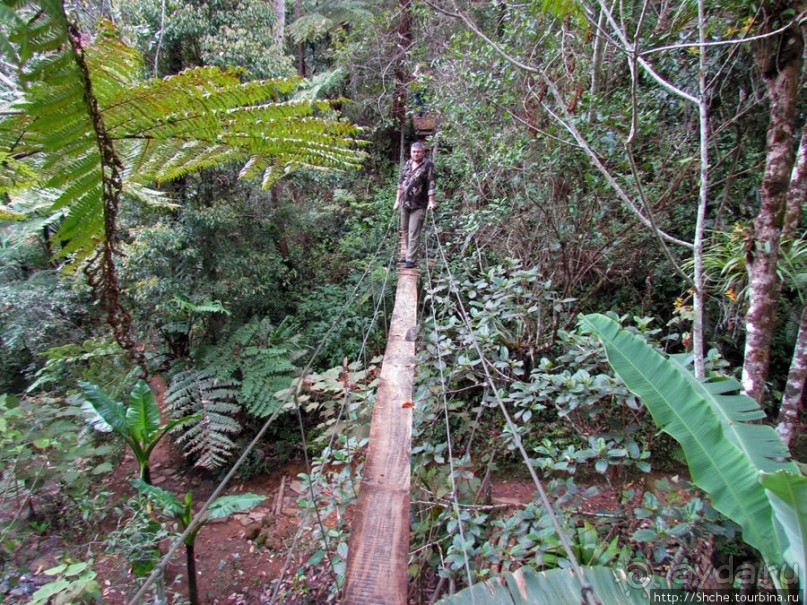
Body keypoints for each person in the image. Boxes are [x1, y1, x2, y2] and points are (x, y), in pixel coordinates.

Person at [393, 142, 436, 269]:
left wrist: (431, 201)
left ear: (423, 153)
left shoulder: (428, 165)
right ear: (411, 152)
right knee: (404, 229)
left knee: (414, 231)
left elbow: (431, 184)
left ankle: (411, 258)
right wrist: (397, 201)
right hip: (405, 203)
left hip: (419, 204)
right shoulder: (407, 164)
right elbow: (400, 184)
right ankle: (408, 254)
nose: (416, 154)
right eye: (413, 152)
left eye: (418, 152)